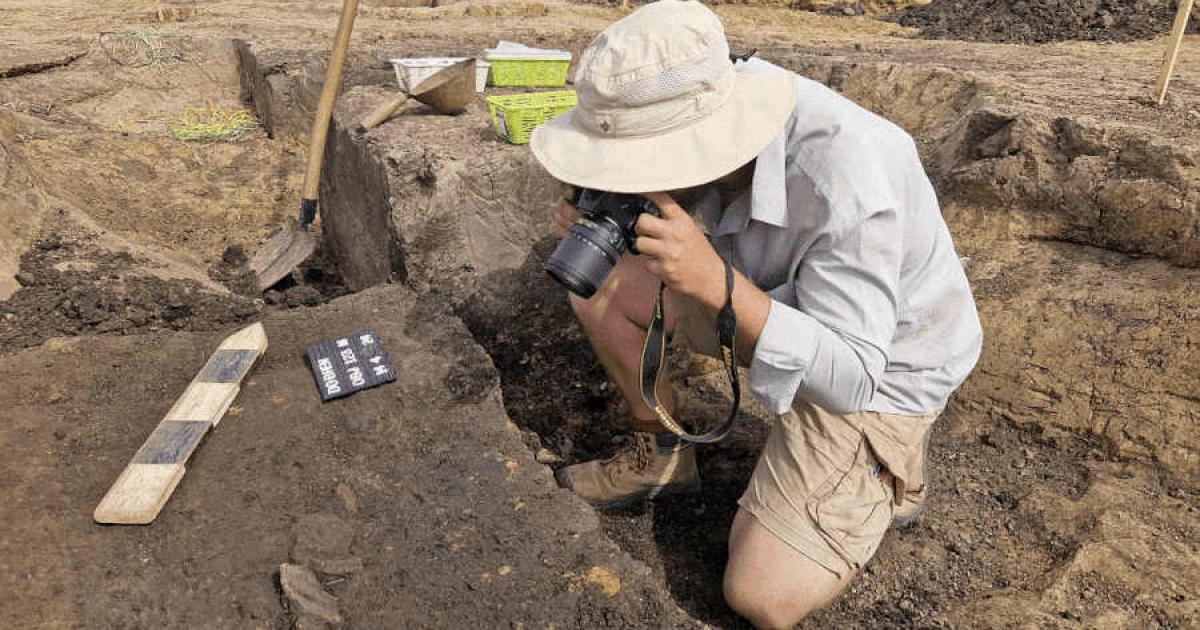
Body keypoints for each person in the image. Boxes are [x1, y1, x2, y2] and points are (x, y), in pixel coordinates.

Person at [529, 1, 983, 627]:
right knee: (595, 278)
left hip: (882, 369)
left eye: (639, 166)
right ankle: (660, 452)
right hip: (764, 305)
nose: (631, 181)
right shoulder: (702, 97)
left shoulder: (844, 177)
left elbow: (853, 375)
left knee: (761, 595)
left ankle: (892, 467)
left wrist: (718, 284)